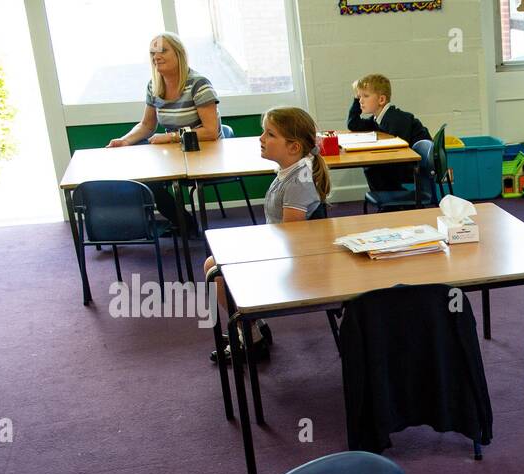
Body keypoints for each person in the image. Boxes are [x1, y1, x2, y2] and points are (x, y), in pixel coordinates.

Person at [204, 107, 329, 363]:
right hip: (283, 251)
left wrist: (254, 247)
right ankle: (252, 326)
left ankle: (251, 336)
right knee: (215, 260)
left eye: (269, 134)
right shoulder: (292, 171)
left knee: (213, 269)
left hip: (295, 263)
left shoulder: (299, 182)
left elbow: (291, 237)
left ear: (293, 147)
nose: (261, 138)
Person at [106, 33, 221, 233]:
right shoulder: (154, 85)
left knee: (155, 181)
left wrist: (171, 136)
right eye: (152, 52)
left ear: (179, 54)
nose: (156, 56)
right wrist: (124, 141)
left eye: (163, 51)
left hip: (204, 153)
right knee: (144, 178)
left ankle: (186, 226)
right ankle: (184, 223)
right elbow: (146, 125)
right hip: (175, 154)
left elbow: (211, 131)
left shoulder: (198, 83)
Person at [346, 73, 431, 197]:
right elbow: (353, 124)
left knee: (372, 167)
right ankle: (390, 202)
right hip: (403, 163)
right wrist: (355, 98)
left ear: (381, 100)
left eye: (365, 96)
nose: (361, 101)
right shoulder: (378, 118)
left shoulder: (395, 119)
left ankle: (394, 203)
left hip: (415, 166)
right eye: (359, 97)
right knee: (371, 166)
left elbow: (395, 152)